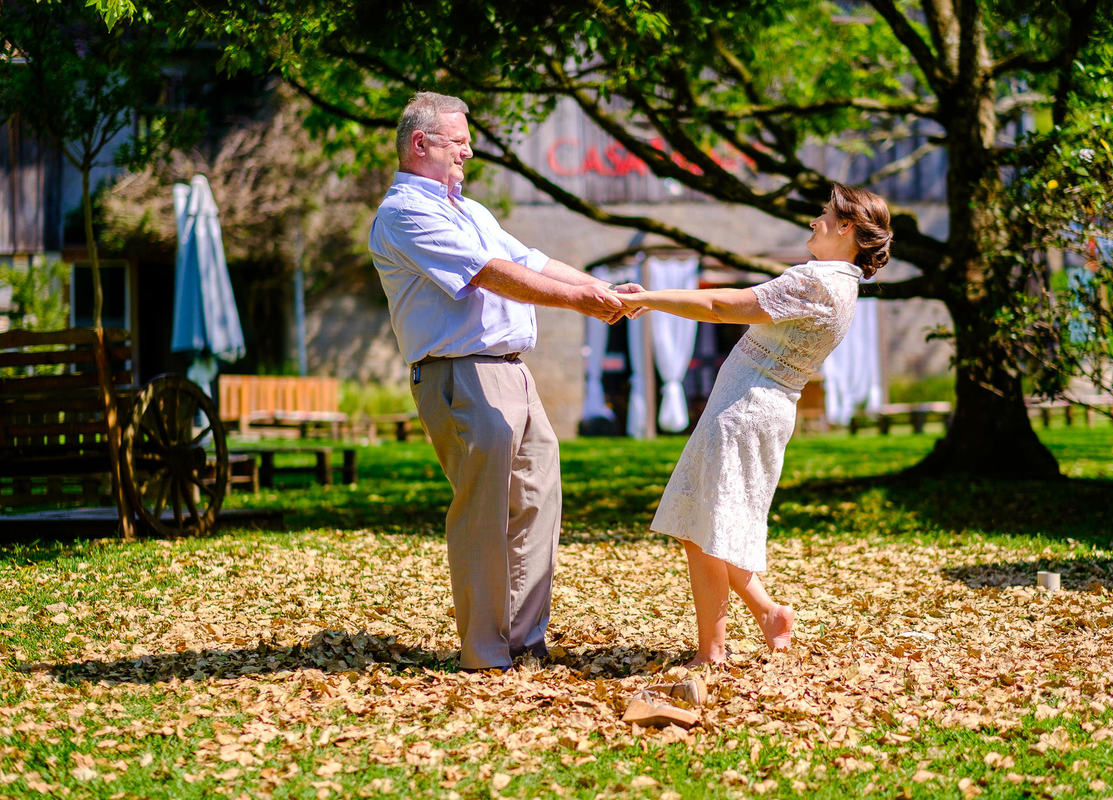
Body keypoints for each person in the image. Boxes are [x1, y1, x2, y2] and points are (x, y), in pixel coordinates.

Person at [369, 92, 640, 671]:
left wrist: (603, 290)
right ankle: (485, 652)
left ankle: (525, 639)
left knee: (539, 500)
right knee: (484, 511)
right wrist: (580, 303)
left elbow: (532, 262)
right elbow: (491, 275)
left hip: (513, 372)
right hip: (461, 373)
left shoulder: (470, 210)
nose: (470, 149)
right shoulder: (404, 212)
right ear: (422, 144)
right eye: (459, 139)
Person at [614, 183, 892, 666]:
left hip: (745, 412)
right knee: (703, 523)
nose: (814, 221)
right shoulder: (837, 282)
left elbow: (724, 306)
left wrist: (652, 298)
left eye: (824, 214)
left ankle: (712, 653)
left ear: (847, 227)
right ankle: (768, 614)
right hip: (753, 408)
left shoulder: (819, 282)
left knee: (705, 531)